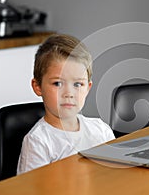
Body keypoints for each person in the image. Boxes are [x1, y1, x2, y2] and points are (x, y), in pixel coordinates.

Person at [17, 34, 115, 174]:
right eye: (58, 83)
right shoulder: (38, 141)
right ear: (38, 86)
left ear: (88, 87)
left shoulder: (101, 131)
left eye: (77, 84)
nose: (69, 93)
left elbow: (116, 176)